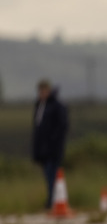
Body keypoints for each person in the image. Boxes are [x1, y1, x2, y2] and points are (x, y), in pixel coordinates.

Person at [31, 79, 69, 209]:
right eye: (40, 91)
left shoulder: (57, 106)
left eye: (44, 91)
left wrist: (53, 142)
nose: (41, 93)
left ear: (49, 90)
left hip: (53, 149)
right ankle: (51, 201)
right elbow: (37, 129)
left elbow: (62, 126)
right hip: (42, 149)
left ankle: (54, 201)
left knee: (53, 175)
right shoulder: (40, 105)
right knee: (48, 176)